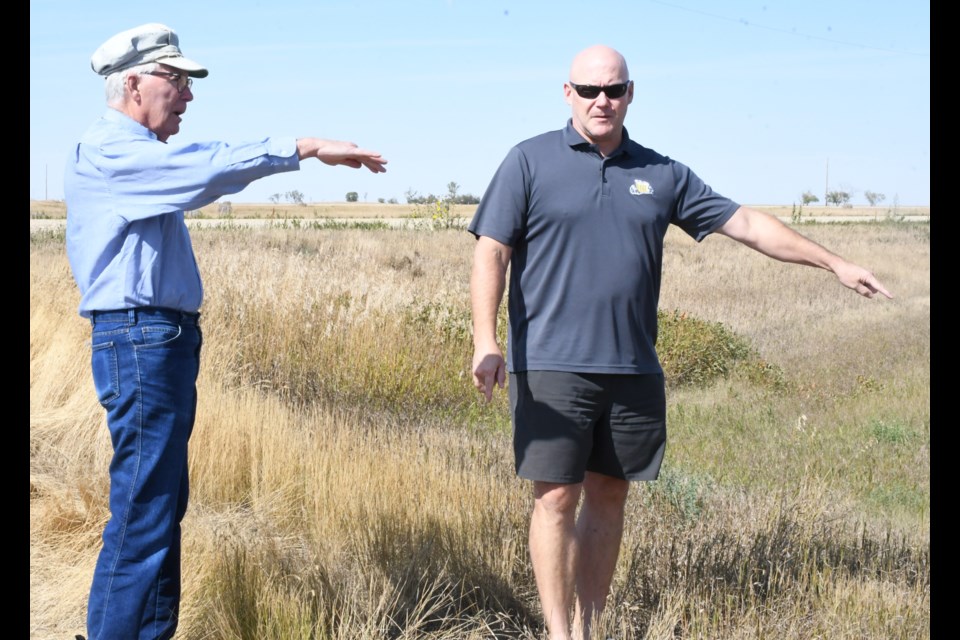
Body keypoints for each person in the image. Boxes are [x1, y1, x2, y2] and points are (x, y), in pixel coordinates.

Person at [468, 44, 892, 640]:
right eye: (588, 90)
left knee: (610, 497)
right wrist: (487, 340)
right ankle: (560, 633)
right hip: (551, 365)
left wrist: (835, 263)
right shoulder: (529, 161)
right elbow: (492, 249)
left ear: (630, 94)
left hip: (634, 368)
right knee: (556, 499)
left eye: (612, 90)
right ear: (567, 94)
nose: (601, 101)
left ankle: (589, 626)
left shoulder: (661, 172)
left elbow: (744, 223)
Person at [65, 23, 387, 640]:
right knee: (143, 511)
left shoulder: (133, 154)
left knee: (159, 508)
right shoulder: (117, 151)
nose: (186, 96)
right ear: (132, 84)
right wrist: (307, 147)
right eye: (176, 80)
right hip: (140, 340)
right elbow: (208, 168)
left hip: (155, 340)